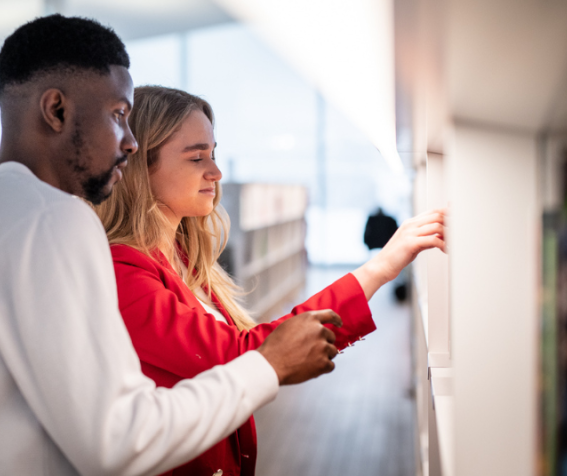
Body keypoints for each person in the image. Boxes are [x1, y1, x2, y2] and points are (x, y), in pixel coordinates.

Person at [0, 15, 349, 476]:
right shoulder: (56, 220)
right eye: (119, 115)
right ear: (57, 110)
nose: (129, 142)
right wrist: (267, 366)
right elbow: (120, 440)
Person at [95, 85, 447, 476]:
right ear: (140, 167)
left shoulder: (182, 261)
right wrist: (379, 269)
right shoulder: (123, 273)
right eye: (197, 158)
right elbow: (244, 355)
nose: (216, 171)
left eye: (213, 154)